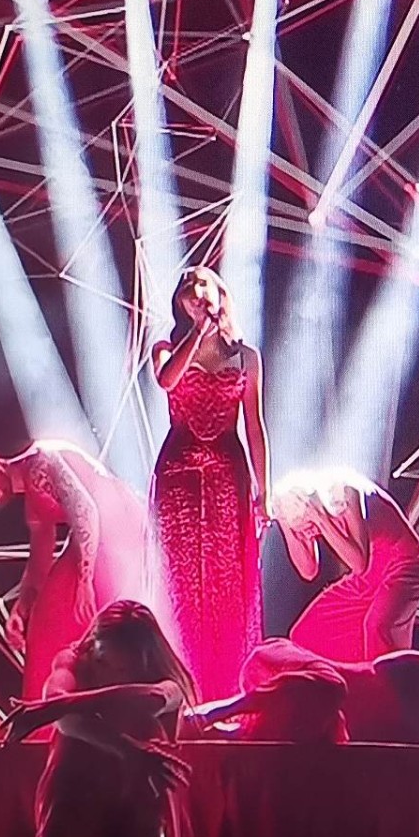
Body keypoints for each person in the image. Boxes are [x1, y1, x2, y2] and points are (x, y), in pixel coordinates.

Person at [2, 601, 195, 837]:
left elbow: (154, 698)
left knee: (145, 729)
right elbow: (64, 718)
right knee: (70, 734)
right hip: (87, 788)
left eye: (126, 670)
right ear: (92, 645)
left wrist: (60, 705)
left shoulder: (164, 678)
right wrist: (127, 750)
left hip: (143, 800)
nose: (114, 676)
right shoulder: (72, 659)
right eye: (105, 663)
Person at [188, 637, 419, 788]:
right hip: (293, 671)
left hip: (315, 718)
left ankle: (200, 733)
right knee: (331, 688)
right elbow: (385, 666)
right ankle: (212, 713)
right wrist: (417, 734)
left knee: (320, 745)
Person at [149, 265, 270, 700]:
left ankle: (228, 687)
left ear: (221, 294)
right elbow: (167, 381)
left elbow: (254, 425)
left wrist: (265, 492)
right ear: (180, 303)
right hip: (178, 474)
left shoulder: (247, 357)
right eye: (187, 286)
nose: (195, 290)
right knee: (182, 580)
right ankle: (183, 688)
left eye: (203, 283)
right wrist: (198, 334)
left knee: (226, 581)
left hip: (226, 474)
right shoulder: (165, 348)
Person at [0, 440, 151, 700]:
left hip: (116, 531)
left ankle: (54, 706)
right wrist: (22, 608)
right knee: (51, 621)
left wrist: (84, 580)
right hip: (101, 539)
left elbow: (86, 513)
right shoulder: (33, 501)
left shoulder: (40, 464)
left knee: (65, 621)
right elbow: (39, 561)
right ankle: (55, 704)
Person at [273, 467, 419, 663]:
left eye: (309, 528)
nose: (310, 535)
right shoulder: (302, 508)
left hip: (405, 566)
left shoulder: (346, 491)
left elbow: (359, 563)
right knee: (305, 633)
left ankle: (387, 681)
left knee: (377, 626)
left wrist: (320, 519)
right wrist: (284, 523)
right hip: (367, 577)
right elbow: (308, 571)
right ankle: (339, 677)